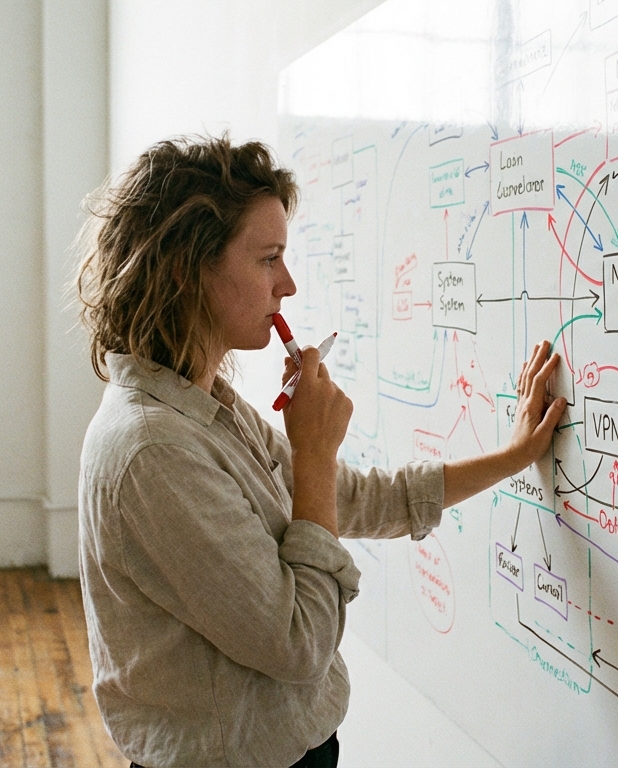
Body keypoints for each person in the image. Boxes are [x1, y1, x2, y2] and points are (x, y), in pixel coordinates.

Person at [73, 135, 567, 768]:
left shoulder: (204, 406)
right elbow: (299, 641)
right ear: (185, 267)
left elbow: (358, 499)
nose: (289, 285)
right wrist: (313, 454)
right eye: (269, 258)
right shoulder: (155, 451)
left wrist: (515, 454)